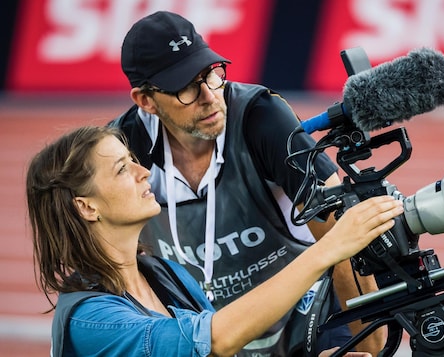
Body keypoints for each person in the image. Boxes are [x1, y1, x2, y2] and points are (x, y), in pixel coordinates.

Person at [109, 10, 385, 355]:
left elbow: (344, 239)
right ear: (146, 101)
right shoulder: (122, 151)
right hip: (219, 334)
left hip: (311, 319)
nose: (210, 96)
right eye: (186, 88)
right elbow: (113, 261)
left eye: (211, 74)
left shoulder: (263, 118)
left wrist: (373, 351)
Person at [26, 126, 404, 357]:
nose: (145, 173)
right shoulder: (93, 320)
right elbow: (217, 340)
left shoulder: (165, 274)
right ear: (86, 207)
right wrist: (329, 248)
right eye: (124, 169)